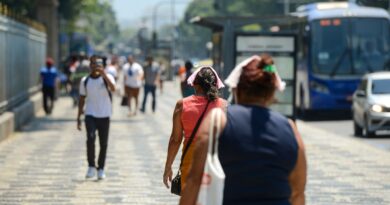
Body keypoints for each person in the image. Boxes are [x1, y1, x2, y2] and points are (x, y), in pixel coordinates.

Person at [180, 54, 307, 205]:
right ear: (272, 93)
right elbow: (298, 192)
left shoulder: (218, 121)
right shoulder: (290, 128)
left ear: (237, 90)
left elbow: (194, 180)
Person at [163, 66, 227, 192]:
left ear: (195, 85)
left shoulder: (182, 105)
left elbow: (175, 140)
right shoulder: (224, 105)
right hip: (215, 163)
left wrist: (168, 167)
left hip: (190, 162)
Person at [77, 55, 116, 180]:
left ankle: (101, 168)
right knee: (90, 138)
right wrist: (78, 117)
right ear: (90, 65)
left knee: (103, 143)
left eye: (98, 64)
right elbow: (82, 99)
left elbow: (114, 89)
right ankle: (91, 166)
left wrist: (104, 74)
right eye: (93, 63)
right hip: (90, 114)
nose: (95, 66)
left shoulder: (107, 77)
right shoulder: (85, 81)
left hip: (105, 115)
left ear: (103, 66)